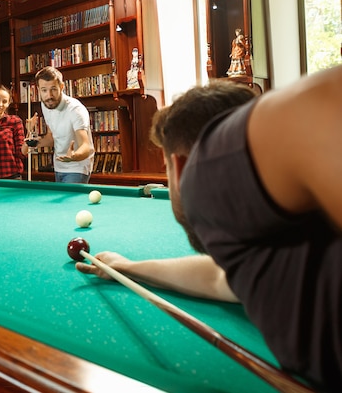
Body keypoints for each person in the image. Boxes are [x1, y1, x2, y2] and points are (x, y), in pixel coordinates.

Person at [77, 66, 342, 392]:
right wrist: (130, 267)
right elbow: (219, 278)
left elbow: (327, 98)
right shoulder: (265, 238)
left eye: (165, 170)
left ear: (180, 166)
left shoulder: (206, 169)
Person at [28, 66, 94, 184]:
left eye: (53, 89)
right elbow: (51, 137)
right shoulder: (46, 104)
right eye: (44, 90)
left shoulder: (75, 110)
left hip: (77, 168)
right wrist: (34, 142)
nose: (49, 95)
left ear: (62, 87)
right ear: (38, 90)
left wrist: (74, 155)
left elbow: (86, 146)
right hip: (58, 167)